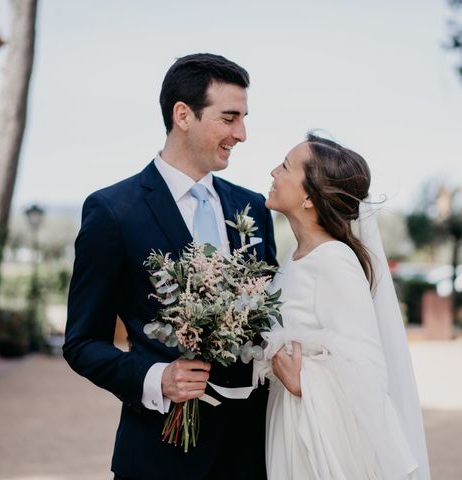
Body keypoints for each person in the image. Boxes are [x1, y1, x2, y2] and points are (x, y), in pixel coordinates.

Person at [63, 53, 277, 480]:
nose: (242, 134)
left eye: (244, 118)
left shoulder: (253, 207)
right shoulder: (114, 212)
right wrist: (156, 377)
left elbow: (272, 312)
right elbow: (82, 341)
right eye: (229, 118)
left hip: (252, 453)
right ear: (183, 115)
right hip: (160, 455)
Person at [260, 133, 431, 479]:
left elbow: (367, 366)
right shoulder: (293, 259)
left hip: (318, 437)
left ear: (309, 196)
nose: (273, 172)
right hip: (289, 422)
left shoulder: (335, 261)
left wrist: (305, 381)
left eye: (286, 167)